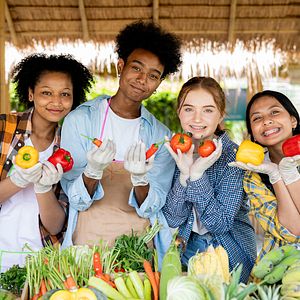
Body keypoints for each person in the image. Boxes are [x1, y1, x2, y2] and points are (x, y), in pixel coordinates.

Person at [60, 20, 182, 266]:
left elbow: (152, 206)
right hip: (87, 241)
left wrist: (141, 179)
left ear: (158, 84)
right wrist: (92, 171)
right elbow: (75, 198)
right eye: (136, 68)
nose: (142, 79)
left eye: (153, 76)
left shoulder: (160, 136)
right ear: (121, 66)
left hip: (138, 246)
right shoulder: (80, 120)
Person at [0, 53, 94, 271]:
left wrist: (43, 189)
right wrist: (18, 181)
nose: (56, 102)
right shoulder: (4, 128)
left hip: (41, 262)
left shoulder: (70, 147)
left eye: (64, 94)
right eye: (46, 93)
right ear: (31, 93)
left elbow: (55, 225)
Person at [162, 77, 257, 283]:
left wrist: (197, 177)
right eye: (188, 109)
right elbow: (173, 218)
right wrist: (184, 175)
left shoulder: (233, 156)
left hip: (229, 250)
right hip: (187, 246)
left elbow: (220, 223)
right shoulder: (176, 151)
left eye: (207, 110)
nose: (197, 119)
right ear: (179, 112)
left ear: (221, 114)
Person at [229, 90, 300, 261]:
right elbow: (293, 230)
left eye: (274, 112)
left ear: (293, 120)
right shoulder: (252, 177)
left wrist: (289, 175)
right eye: (256, 118)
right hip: (276, 268)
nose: (267, 121)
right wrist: (275, 175)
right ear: (252, 133)